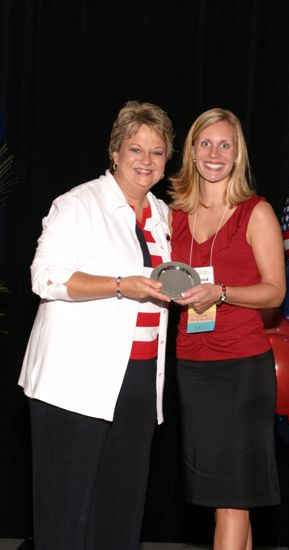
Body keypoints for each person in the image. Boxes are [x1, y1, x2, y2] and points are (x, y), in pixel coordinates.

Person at [18, 100, 174, 550]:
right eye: (135, 149)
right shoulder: (78, 204)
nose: (145, 161)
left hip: (140, 381)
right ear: (115, 152)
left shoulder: (162, 216)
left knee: (121, 515)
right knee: (66, 518)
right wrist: (124, 284)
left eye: (157, 151)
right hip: (75, 382)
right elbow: (45, 277)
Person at [169, 108, 286, 550]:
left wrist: (221, 292)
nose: (214, 153)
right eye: (205, 143)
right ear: (192, 152)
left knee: (232, 499)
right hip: (193, 368)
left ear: (237, 156)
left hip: (241, 368)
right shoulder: (174, 216)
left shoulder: (255, 212)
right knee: (226, 499)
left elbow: (275, 292)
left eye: (225, 145)